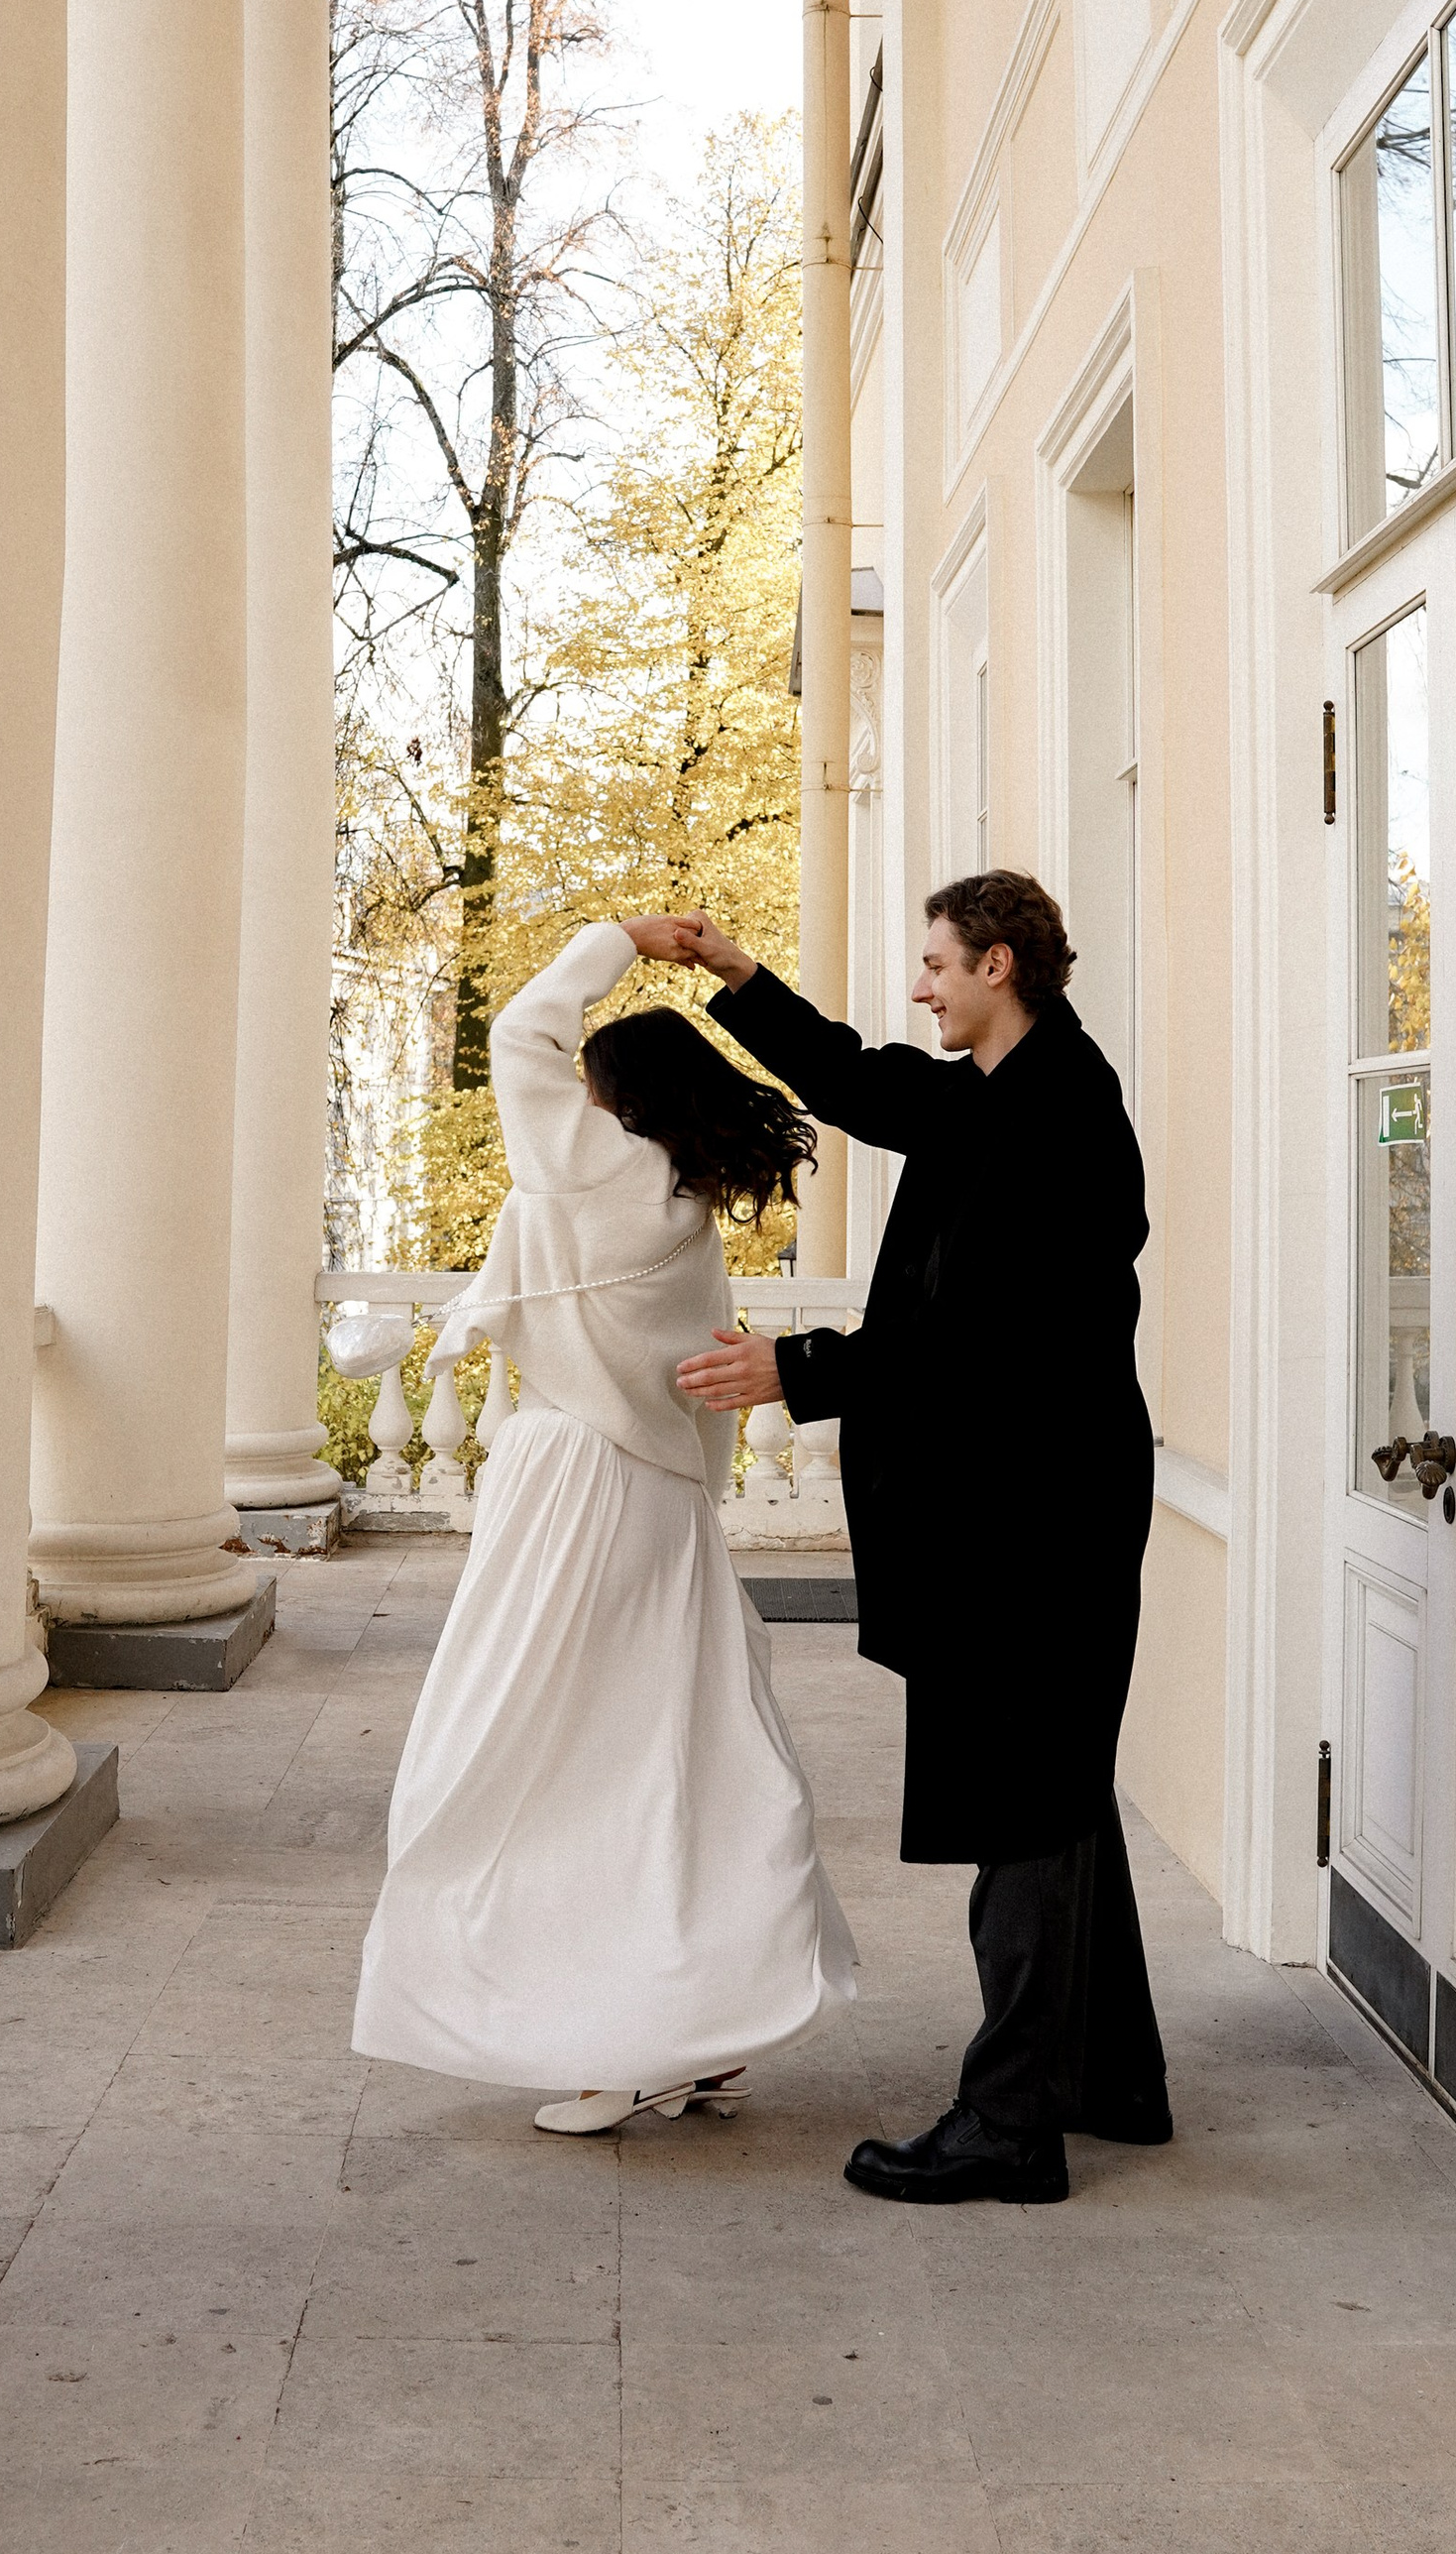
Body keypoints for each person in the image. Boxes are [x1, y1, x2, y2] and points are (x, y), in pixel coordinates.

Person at [636, 871, 1169, 2206]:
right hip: (1029, 1510)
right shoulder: (1001, 1091)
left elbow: (985, 1335)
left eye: (936, 965)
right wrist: (736, 973)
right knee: (1056, 1797)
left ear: (999, 966)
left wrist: (799, 1367)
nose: (920, 986)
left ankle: (1010, 2130)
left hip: (1042, 1521)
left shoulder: (1057, 1114)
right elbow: (859, 1083)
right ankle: (1106, 2080)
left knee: (1028, 1809)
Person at [352, 919, 858, 2133]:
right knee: (677, 1746)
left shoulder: (582, 1163)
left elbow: (519, 1024)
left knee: (540, 1750)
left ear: (610, 1094)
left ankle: (623, 2038)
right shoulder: (683, 1197)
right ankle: (693, 2018)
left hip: (570, 1479)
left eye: (589, 1083)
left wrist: (621, 938)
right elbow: (698, 1385)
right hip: (658, 1500)